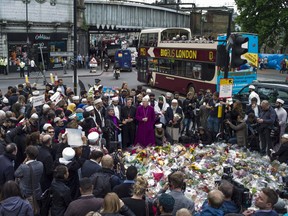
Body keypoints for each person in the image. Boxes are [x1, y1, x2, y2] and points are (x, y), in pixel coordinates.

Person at [14, 145, 43, 212]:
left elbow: (16, 174)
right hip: (37, 191)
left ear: (27, 155)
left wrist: (24, 163)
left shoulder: (23, 167)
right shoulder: (41, 164)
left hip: (25, 193)